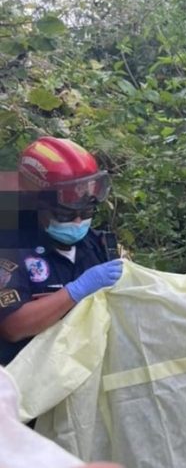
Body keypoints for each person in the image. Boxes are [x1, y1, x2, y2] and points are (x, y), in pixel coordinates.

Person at [0, 137, 123, 366]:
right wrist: (74, 292)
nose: (77, 222)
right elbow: (13, 327)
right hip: (26, 382)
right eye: (65, 215)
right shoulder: (10, 246)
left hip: (84, 375)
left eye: (86, 213)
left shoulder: (98, 245)